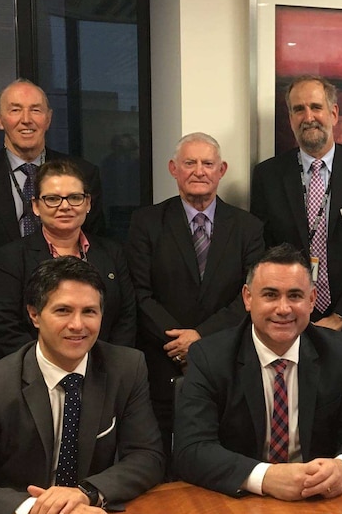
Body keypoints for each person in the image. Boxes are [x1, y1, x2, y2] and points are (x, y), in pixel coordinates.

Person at [0, 257, 164, 514]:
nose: (78, 325)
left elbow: (148, 457)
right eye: (63, 311)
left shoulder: (126, 367)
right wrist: (41, 508)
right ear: (34, 314)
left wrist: (85, 494)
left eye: (89, 311)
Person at [174, 244, 342, 500]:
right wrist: (265, 477)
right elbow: (192, 449)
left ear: (311, 300)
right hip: (238, 501)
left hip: (318, 500)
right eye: (271, 295)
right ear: (248, 298)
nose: (284, 308)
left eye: (295, 296)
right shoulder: (210, 357)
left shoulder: (339, 351)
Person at [125, 132, 264, 462]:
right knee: (163, 460)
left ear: (222, 170)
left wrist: (201, 338)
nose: (199, 171)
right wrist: (179, 341)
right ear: (174, 169)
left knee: (224, 455)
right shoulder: (146, 223)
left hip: (227, 358)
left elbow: (252, 295)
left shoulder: (249, 227)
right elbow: (139, 293)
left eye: (207, 163)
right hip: (163, 359)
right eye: (190, 163)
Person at [0, 79, 104, 368]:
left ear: (48, 118)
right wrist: (24, 303)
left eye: (35, 110)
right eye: (15, 110)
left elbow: (95, 247)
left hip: (73, 332)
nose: (26, 120)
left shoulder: (83, 173)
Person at [250, 75, 342, 379]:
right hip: (288, 323)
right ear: (290, 118)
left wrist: (341, 316)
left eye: (316, 107)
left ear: (334, 113)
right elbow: (264, 252)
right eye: (298, 109)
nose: (308, 117)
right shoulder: (268, 176)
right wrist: (291, 311)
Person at [0, 159, 136, 360]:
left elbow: (126, 318)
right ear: (36, 206)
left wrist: (103, 365)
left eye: (75, 197)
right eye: (52, 198)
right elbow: (6, 327)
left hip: (106, 373)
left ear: (88, 203)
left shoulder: (112, 252)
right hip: (37, 376)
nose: (65, 206)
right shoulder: (11, 258)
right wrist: (53, 366)